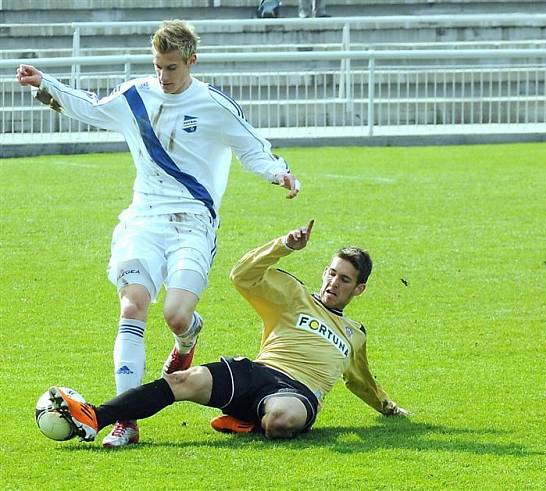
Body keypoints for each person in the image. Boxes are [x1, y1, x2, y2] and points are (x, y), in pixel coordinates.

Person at [15, 20, 300, 447]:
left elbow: (252, 147)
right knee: (133, 307)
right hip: (143, 219)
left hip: (193, 222)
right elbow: (91, 106)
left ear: (191, 62)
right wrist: (46, 83)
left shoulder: (214, 105)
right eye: (158, 67)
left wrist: (279, 173)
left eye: (171, 68)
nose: (163, 77)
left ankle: (188, 335)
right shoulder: (136, 95)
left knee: (176, 315)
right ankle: (124, 421)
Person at [49, 220, 409, 444]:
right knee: (182, 382)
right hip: (258, 372)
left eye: (344, 279)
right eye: (331, 273)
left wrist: (389, 408)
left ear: (358, 289)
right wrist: (284, 245)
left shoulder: (354, 333)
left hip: (300, 392)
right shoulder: (294, 295)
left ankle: (247, 421)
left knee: (281, 421)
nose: (333, 282)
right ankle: (95, 416)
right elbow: (241, 276)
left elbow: (361, 381)